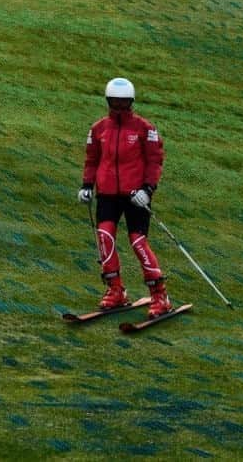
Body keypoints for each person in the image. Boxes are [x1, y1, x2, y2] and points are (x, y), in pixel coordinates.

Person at [77, 76, 172, 317]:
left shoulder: (145, 128)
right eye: (114, 103)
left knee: (138, 242)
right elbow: (92, 159)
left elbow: (154, 161)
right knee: (105, 238)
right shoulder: (99, 129)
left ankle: (160, 295)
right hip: (107, 194)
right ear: (108, 101)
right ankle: (115, 290)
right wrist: (87, 185)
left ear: (131, 103)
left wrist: (147, 190)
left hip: (135, 196)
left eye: (124, 103)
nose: (119, 107)